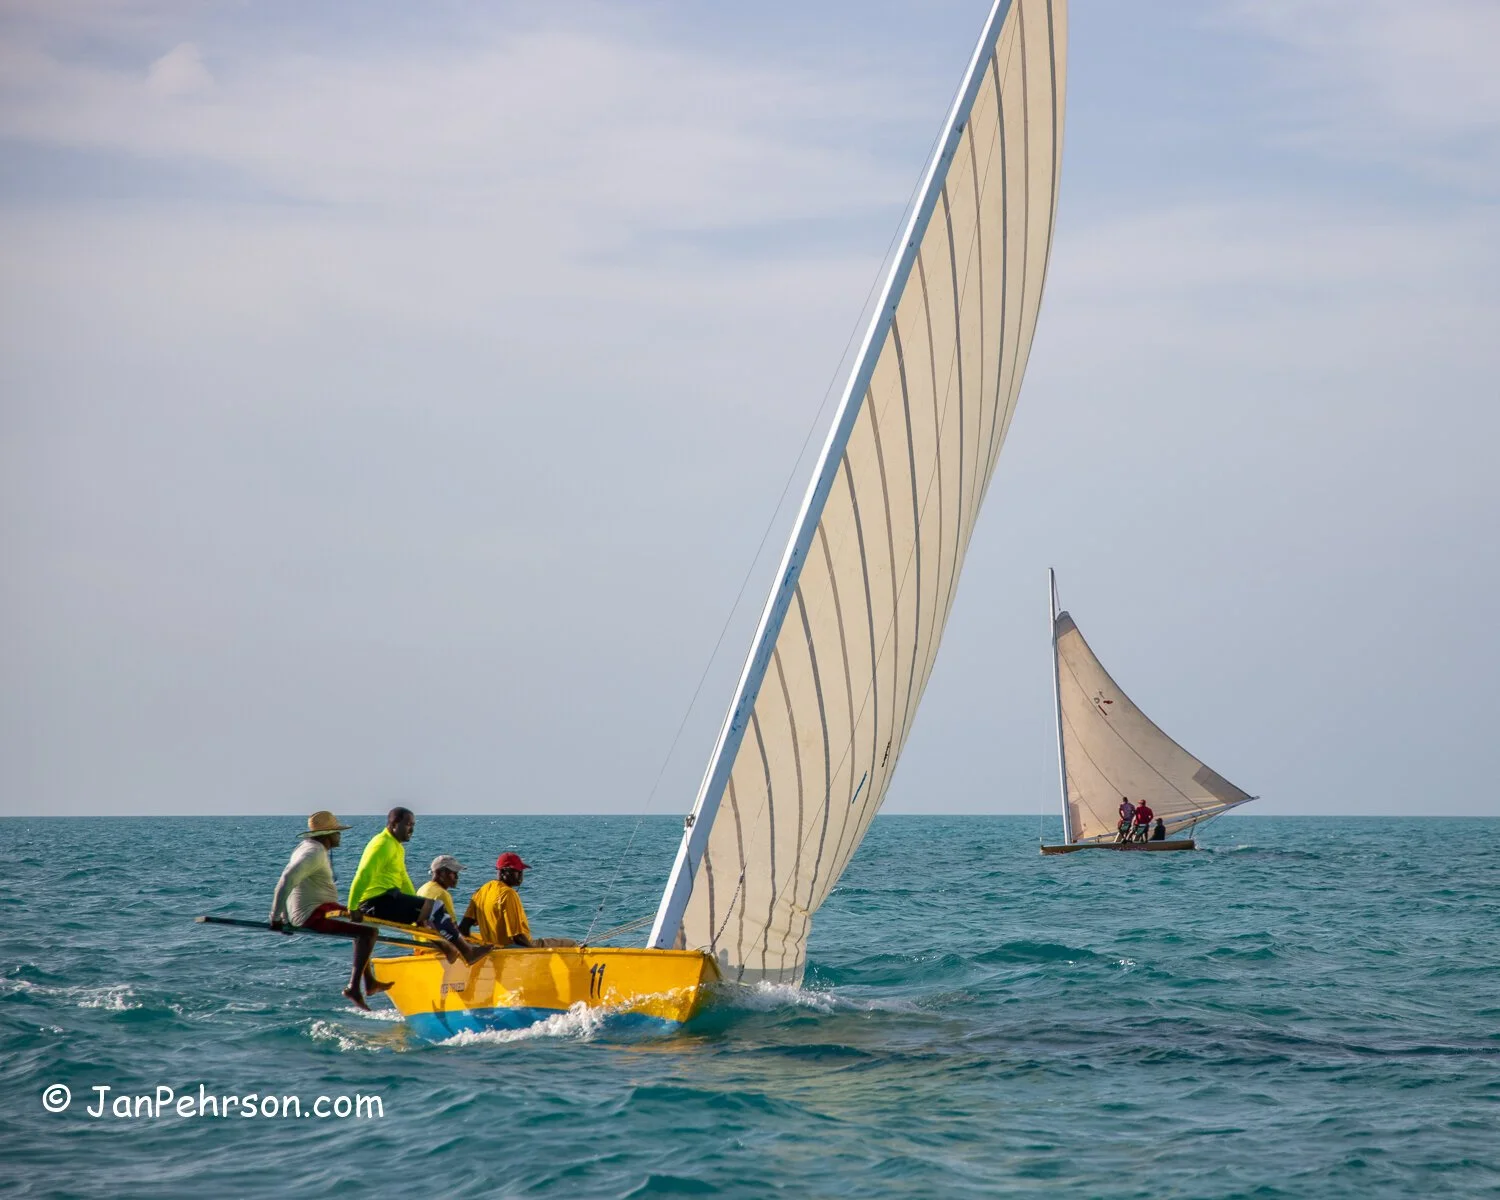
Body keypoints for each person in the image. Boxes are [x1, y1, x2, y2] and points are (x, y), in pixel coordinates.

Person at [268, 810, 392, 1011]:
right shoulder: (313, 852)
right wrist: (275, 917)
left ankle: (369, 983)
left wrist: (284, 915)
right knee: (369, 932)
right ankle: (354, 988)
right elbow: (286, 879)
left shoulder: (311, 848)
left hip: (322, 908)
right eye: (337, 832)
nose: (339, 835)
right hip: (313, 914)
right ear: (326, 835)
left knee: (365, 923)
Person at [348, 808, 486, 963]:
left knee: (427, 912)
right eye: (408, 825)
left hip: (388, 899)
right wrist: (353, 907)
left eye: (413, 825)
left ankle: (448, 948)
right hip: (375, 903)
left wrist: (418, 904)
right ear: (394, 824)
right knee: (436, 908)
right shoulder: (382, 844)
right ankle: (467, 952)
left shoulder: (396, 846)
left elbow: (403, 878)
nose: (412, 829)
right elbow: (363, 874)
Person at [460, 853, 577, 949]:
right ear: (504, 872)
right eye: (518, 872)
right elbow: (517, 937)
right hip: (512, 949)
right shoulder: (508, 894)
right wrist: (535, 954)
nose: (521, 876)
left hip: (494, 948)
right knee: (571, 944)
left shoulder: (482, 890)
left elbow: (464, 928)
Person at [418, 855, 465, 924]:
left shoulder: (422, 888)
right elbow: (452, 926)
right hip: (435, 934)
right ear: (440, 873)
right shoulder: (442, 894)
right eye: (453, 873)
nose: (457, 877)